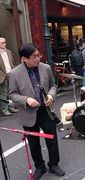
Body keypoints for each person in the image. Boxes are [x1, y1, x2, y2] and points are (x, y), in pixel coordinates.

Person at [8, 43, 65, 180]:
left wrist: (51, 95)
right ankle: (40, 166)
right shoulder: (15, 73)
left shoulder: (45, 68)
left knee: (52, 138)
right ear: (24, 58)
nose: (38, 58)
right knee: (33, 142)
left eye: (38, 55)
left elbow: (53, 85)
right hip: (28, 113)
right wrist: (26, 99)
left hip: (46, 111)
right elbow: (12, 94)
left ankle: (53, 164)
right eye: (34, 57)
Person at [0, 37, 19, 116]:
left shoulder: (9, 52)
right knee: (3, 93)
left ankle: (11, 107)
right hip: (2, 76)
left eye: (5, 42)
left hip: (10, 74)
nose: (4, 44)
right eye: (2, 43)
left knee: (10, 92)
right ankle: (4, 110)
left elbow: (12, 63)